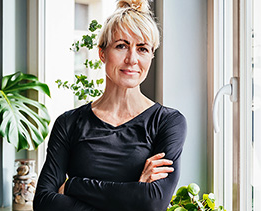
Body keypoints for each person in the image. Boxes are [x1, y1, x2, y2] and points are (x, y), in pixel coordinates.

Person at [33, 0, 187, 210]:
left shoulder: (167, 122)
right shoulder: (68, 123)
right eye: (121, 46)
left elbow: (153, 202)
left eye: (142, 49)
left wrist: (73, 185)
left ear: (151, 56)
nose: (132, 59)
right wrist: (134, 194)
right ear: (102, 53)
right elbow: (44, 203)